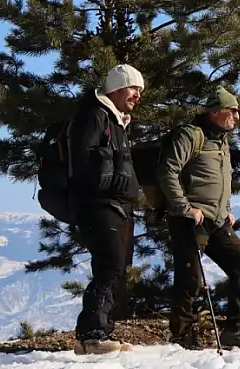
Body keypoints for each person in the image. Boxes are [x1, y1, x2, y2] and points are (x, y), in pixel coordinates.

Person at [158, 87, 240, 349]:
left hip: (216, 221)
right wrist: (185, 208)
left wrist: (226, 209)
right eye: (232, 110)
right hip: (190, 219)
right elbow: (167, 172)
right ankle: (182, 334)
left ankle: (235, 328)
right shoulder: (191, 135)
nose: (237, 115)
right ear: (215, 111)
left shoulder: (221, 140)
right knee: (190, 278)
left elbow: (219, 181)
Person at [70, 64, 144, 355]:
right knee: (110, 264)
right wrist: (110, 183)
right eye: (133, 88)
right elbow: (84, 161)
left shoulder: (115, 120)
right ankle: (93, 335)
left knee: (115, 266)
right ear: (115, 88)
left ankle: (100, 331)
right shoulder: (95, 116)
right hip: (97, 203)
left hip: (114, 204)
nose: (137, 95)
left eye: (140, 90)